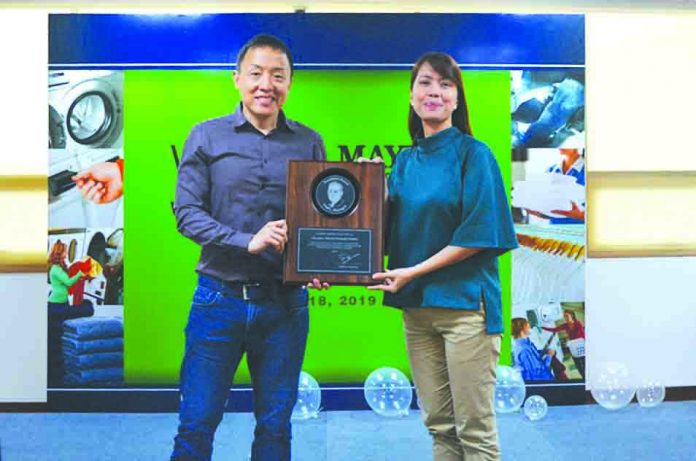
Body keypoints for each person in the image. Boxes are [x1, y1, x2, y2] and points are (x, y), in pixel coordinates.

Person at [170, 34, 326, 461]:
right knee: (196, 424)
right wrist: (247, 241)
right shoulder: (205, 137)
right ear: (237, 79)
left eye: (278, 75)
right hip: (218, 301)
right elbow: (186, 213)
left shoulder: (309, 142)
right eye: (256, 73)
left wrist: (319, 261)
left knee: (275, 427)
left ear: (290, 84)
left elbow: (318, 220)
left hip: (285, 306)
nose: (266, 84)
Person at [366, 52, 518, 461]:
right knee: (439, 427)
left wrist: (414, 271)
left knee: (475, 430)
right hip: (417, 311)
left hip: (466, 310)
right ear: (412, 97)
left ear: (456, 99)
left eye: (445, 85)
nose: (434, 92)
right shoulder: (404, 163)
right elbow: (388, 234)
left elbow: (479, 235)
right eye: (425, 83)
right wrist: (367, 189)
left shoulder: (474, 154)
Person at [47, 240, 94, 386]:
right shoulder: (55, 268)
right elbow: (68, 282)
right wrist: (80, 272)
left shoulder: (58, 267)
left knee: (60, 335)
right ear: (60, 253)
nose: (67, 254)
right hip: (56, 305)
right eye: (66, 251)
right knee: (57, 336)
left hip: (60, 303)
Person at [543, 309, 586, 378]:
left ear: (572, 315)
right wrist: (543, 327)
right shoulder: (566, 325)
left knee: (585, 365)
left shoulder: (578, 323)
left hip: (581, 347)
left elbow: (583, 336)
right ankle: (583, 379)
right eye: (564, 316)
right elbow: (555, 329)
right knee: (579, 366)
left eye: (567, 316)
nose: (565, 318)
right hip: (574, 349)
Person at [511, 318, 554, 382]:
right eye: (527, 325)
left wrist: (544, 351)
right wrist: (549, 357)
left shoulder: (525, 344)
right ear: (522, 328)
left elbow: (533, 359)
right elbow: (537, 373)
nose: (529, 327)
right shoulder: (524, 349)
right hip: (544, 383)